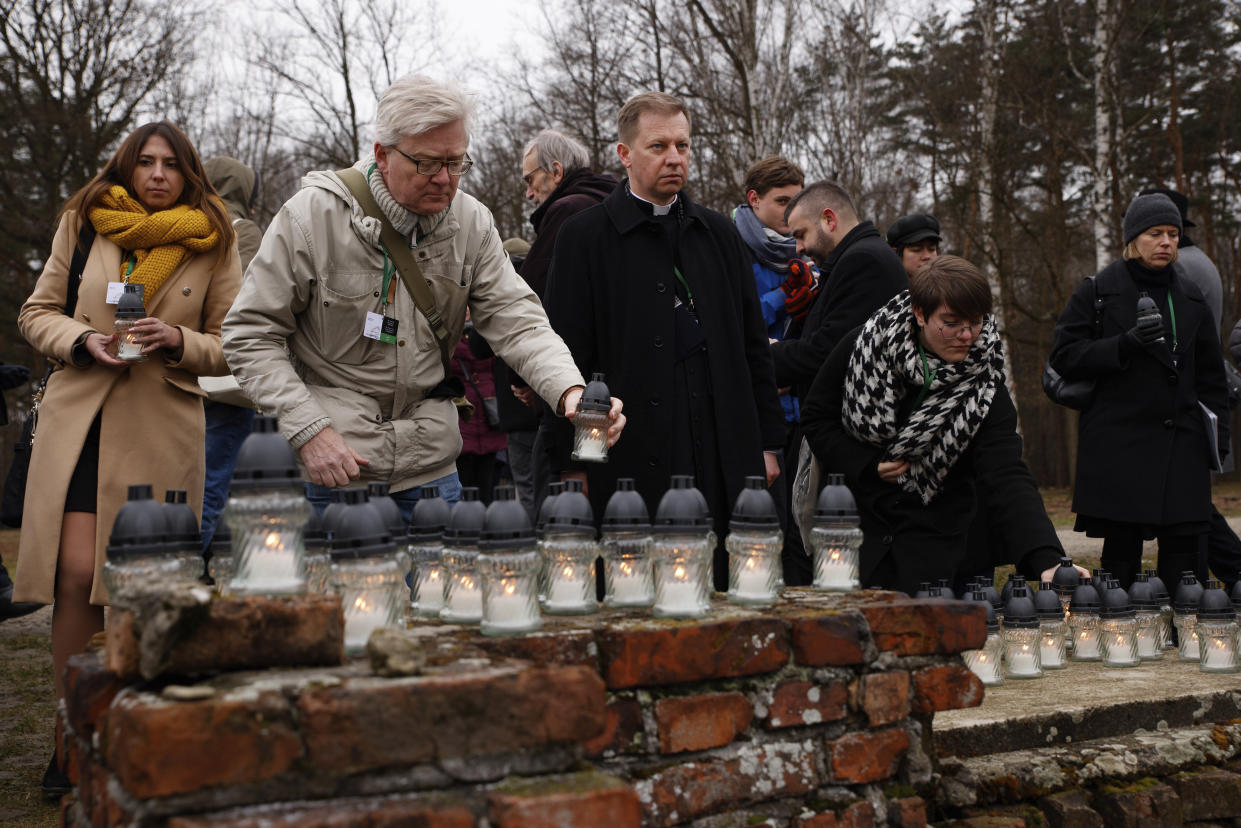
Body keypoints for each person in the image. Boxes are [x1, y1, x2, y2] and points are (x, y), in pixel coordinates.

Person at [222, 75, 624, 522]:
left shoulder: (472, 222)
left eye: (457, 163)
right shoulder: (311, 217)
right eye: (429, 164)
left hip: (432, 470)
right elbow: (249, 334)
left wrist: (570, 391)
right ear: (382, 155)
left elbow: (518, 321)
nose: (446, 180)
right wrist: (308, 430)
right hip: (333, 468)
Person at [15, 121, 241, 793]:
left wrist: (178, 338)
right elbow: (36, 314)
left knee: (137, 588)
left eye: (171, 163)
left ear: (187, 172)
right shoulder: (85, 222)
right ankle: (71, 734)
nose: (157, 173)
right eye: (144, 161)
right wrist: (84, 340)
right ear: (126, 166)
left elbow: (236, 341)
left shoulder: (214, 238)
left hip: (161, 426)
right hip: (81, 417)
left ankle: (133, 730)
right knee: (76, 575)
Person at [542, 91, 784, 590]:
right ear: (624, 154)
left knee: (727, 579)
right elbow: (568, 356)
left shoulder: (718, 234)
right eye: (658, 146)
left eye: (683, 145)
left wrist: (767, 443)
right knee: (640, 587)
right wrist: (580, 461)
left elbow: (752, 347)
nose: (675, 158)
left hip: (719, 445)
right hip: (630, 448)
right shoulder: (584, 237)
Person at [802, 255, 1066, 596]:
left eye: (976, 321)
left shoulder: (984, 383)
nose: (967, 335)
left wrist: (1047, 557)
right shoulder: (864, 346)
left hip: (943, 546)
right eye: (952, 323)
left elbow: (1006, 473)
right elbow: (817, 417)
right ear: (920, 314)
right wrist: (867, 465)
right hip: (861, 538)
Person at [1049, 192, 1228, 590]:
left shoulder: (1191, 296)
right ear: (1133, 239)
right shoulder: (1096, 291)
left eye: (1172, 233)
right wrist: (1124, 344)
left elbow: (1212, 378)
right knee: (1120, 567)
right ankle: (1117, 640)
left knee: (1186, 570)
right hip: (1120, 447)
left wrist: (1218, 440)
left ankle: (1185, 636)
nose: (1166, 241)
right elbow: (1064, 356)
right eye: (1155, 233)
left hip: (1181, 444)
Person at [509, 130, 617, 520]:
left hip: (571, 404)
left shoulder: (567, 212)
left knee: (558, 528)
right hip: (618, 396)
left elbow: (529, 303)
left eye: (529, 179)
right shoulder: (618, 206)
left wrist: (523, 377)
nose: (527, 192)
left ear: (555, 171)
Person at [733, 156, 812, 584]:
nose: (790, 210)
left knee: (805, 529)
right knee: (766, 529)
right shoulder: (731, 246)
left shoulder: (807, 247)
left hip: (802, 407)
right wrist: (783, 296)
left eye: (797, 199)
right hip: (760, 413)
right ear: (754, 199)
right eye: (782, 201)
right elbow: (735, 321)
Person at [772, 182, 907, 402]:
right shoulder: (854, 258)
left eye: (800, 234)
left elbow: (830, 352)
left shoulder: (863, 261)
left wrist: (772, 354)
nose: (798, 248)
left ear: (829, 219)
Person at [199, 156, 264, 552]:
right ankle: (188, 582)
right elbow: (253, 302)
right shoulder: (242, 231)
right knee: (213, 486)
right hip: (226, 380)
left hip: (181, 369)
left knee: (183, 484)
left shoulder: (181, 225)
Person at [887, 213, 942, 280]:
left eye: (932, 249)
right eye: (917, 250)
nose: (927, 256)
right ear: (895, 254)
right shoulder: (882, 288)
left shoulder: (951, 286)